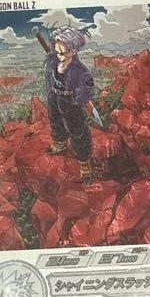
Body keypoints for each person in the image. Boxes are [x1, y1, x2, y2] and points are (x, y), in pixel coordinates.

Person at [41, 25, 97, 182]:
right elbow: (49, 78)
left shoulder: (80, 70)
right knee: (55, 121)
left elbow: (88, 88)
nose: (58, 55)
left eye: (62, 52)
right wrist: (51, 92)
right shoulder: (53, 61)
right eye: (56, 51)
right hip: (55, 97)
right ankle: (60, 142)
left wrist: (79, 100)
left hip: (71, 102)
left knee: (77, 130)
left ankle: (84, 160)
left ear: (73, 51)